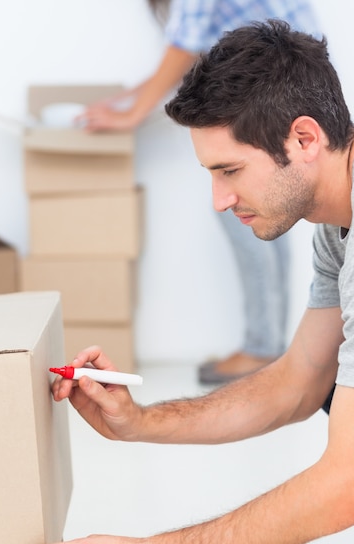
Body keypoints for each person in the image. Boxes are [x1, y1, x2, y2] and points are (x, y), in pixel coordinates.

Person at [6, 20, 354, 544]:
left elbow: (352, 486)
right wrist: (142, 423)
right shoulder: (344, 222)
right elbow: (299, 383)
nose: (220, 200)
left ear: (305, 139)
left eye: (229, 170)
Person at [80, 0, 320, 385]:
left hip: (273, 87)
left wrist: (131, 114)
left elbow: (184, 45)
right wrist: (127, 101)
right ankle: (270, 346)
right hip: (293, 83)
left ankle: (262, 349)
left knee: (244, 207)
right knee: (265, 214)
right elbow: (184, 57)